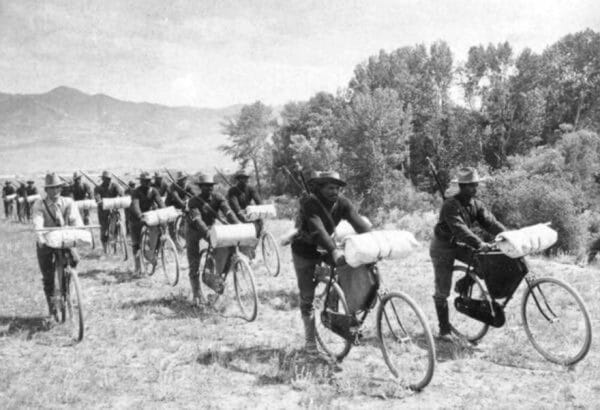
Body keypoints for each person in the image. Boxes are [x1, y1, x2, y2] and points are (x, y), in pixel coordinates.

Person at [291, 171, 371, 354]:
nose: (335, 191)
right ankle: (310, 340)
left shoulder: (342, 203)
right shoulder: (310, 203)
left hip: (325, 247)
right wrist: (334, 251)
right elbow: (318, 230)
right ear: (319, 188)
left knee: (351, 265)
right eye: (330, 188)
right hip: (305, 251)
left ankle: (334, 305)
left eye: (337, 188)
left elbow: (359, 223)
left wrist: (376, 240)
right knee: (307, 296)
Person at [430, 167, 506, 341]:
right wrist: (480, 243)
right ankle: (444, 330)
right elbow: (460, 230)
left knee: (483, 263)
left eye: (476, 185)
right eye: (471, 186)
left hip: (458, 244)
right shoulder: (450, 205)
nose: (475, 188)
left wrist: (508, 236)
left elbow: (491, 223)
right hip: (442, 248)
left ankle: (464, 284)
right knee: (442, 290)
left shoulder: (475, 204)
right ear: (462, 187)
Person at [32, 173, 83, 318]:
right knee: (48, 276)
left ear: (61, 189)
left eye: (57, 188)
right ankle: (52, 306)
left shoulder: (68, 202)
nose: (55, 191)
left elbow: (76, 220)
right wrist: (40, 236)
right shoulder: (39, 204)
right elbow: (38, 221)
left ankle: (68, 289)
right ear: (46, 190)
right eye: (51, 188)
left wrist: (79, 232)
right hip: (46, 241)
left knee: (74, 260)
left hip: (64, 240)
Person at [186, 173, 239, 305]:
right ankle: (196, 294)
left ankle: (218, 279)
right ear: (200, 187)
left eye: (210, 186)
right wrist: (209, 234)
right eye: (205, 186)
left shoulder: (217, 197)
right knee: (194, 262)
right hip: (194, 230)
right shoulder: (194, 202)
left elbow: (228, 211)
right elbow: (198, 221)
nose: (208, 189)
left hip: (210, 226)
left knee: (228, 247)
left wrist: (238, 224)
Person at [129, 172, 164, 274]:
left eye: (148, 181)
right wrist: (140, 215)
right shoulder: (136, 192)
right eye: (144, 181)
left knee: (159, 232)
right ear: (140, 182)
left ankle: (153, 253)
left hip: (149, 216)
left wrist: (165, 212)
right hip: (136, 218)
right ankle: (137, 267)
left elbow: (160, 202)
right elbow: (135, 205)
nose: (147, 183)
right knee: (136, 243)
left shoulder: (153, 191)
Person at [94, 170, 124, 252]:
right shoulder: (98, 188)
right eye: (106, 179)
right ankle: (104, 248)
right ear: (103, 179)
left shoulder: (114, 186)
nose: (108, 181)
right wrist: (100, 201)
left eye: (109, 179)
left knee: (116, 224)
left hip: (114, 209)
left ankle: (115, 242)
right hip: (103, 211)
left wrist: (119, 196)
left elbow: (121, 193)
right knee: (104, 229)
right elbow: (97, 198)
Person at [165, 171, 191, 247]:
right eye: (181, 179)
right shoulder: (172, 187)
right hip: (171, 207)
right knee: (172, 227)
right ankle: (175, 243)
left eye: (184, 179)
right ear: (178, 180)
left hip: (182, 207)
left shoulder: (187, 186)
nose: (183, 181)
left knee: (186, 223)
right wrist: (184, 205)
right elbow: (176, 198)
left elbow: (193, 195)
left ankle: (186, 239)